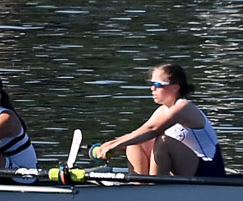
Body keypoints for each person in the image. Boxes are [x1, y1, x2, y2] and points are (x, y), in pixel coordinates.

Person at [93, 63, 225, 176]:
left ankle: (154, 191)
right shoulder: (162, 110)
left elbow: (153, 130)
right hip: (187, 168)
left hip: (210, 171)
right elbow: (139, 133)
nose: (152, 88)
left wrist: (116, 145)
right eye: (151, 84)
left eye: (157, 84)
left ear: (175, 87)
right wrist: (110, 145)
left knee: (163, 141)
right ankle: (138, 189)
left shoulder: (184, 107)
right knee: (135, 143)